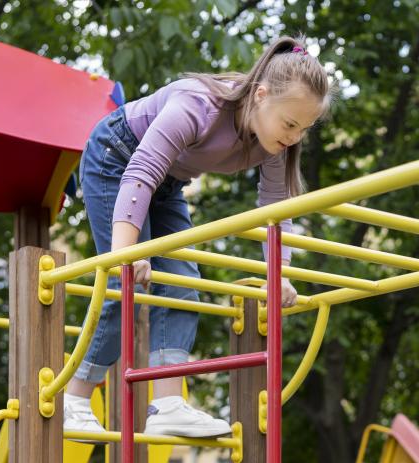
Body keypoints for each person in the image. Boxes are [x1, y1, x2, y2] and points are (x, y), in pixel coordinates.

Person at [62, 36, 335, 439]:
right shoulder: (199, 103)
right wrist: (125, 252)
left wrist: (281, 275)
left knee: (184, 282)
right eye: (290, 124)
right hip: (116, 160)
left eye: (304, 129)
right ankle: (74, 399)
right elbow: (142, 170)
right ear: (260, 95)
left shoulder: (275, 144)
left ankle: (167, 404)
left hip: (168, 183)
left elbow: (276, 209)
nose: (295, 136)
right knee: (126, 284)